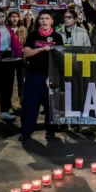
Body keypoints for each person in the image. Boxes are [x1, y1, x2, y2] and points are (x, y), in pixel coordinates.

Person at [20, 10, 63, 141]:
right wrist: (40, 49)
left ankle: (50, 131)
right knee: (30, 105)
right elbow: (26, 53)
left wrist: (53, 76)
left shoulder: (57, 37)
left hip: (50, 76)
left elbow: (60, 58)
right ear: (38, 21)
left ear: (52, 21)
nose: (44, 21)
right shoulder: (33, 35)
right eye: (42, 18)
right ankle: (26, 131)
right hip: (34, 75)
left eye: (47, 18)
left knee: (50, 105)